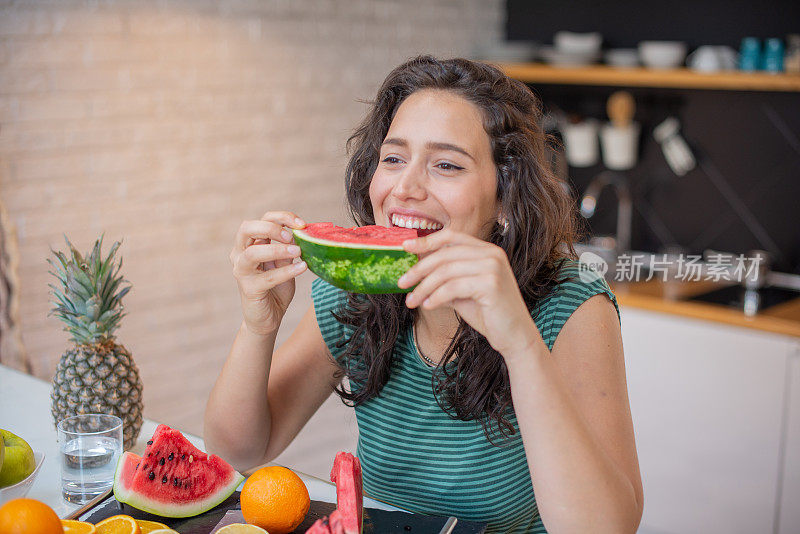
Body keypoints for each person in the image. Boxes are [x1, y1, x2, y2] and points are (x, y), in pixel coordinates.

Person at [205, 55, 643, 533]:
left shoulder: (573, 305)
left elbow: (607, 528)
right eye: (393, 158)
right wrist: (258, 326)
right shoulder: (356, 293)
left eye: (447, 165)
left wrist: (520, 344)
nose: (405, 188)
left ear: (505, 199)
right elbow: (238, 452)